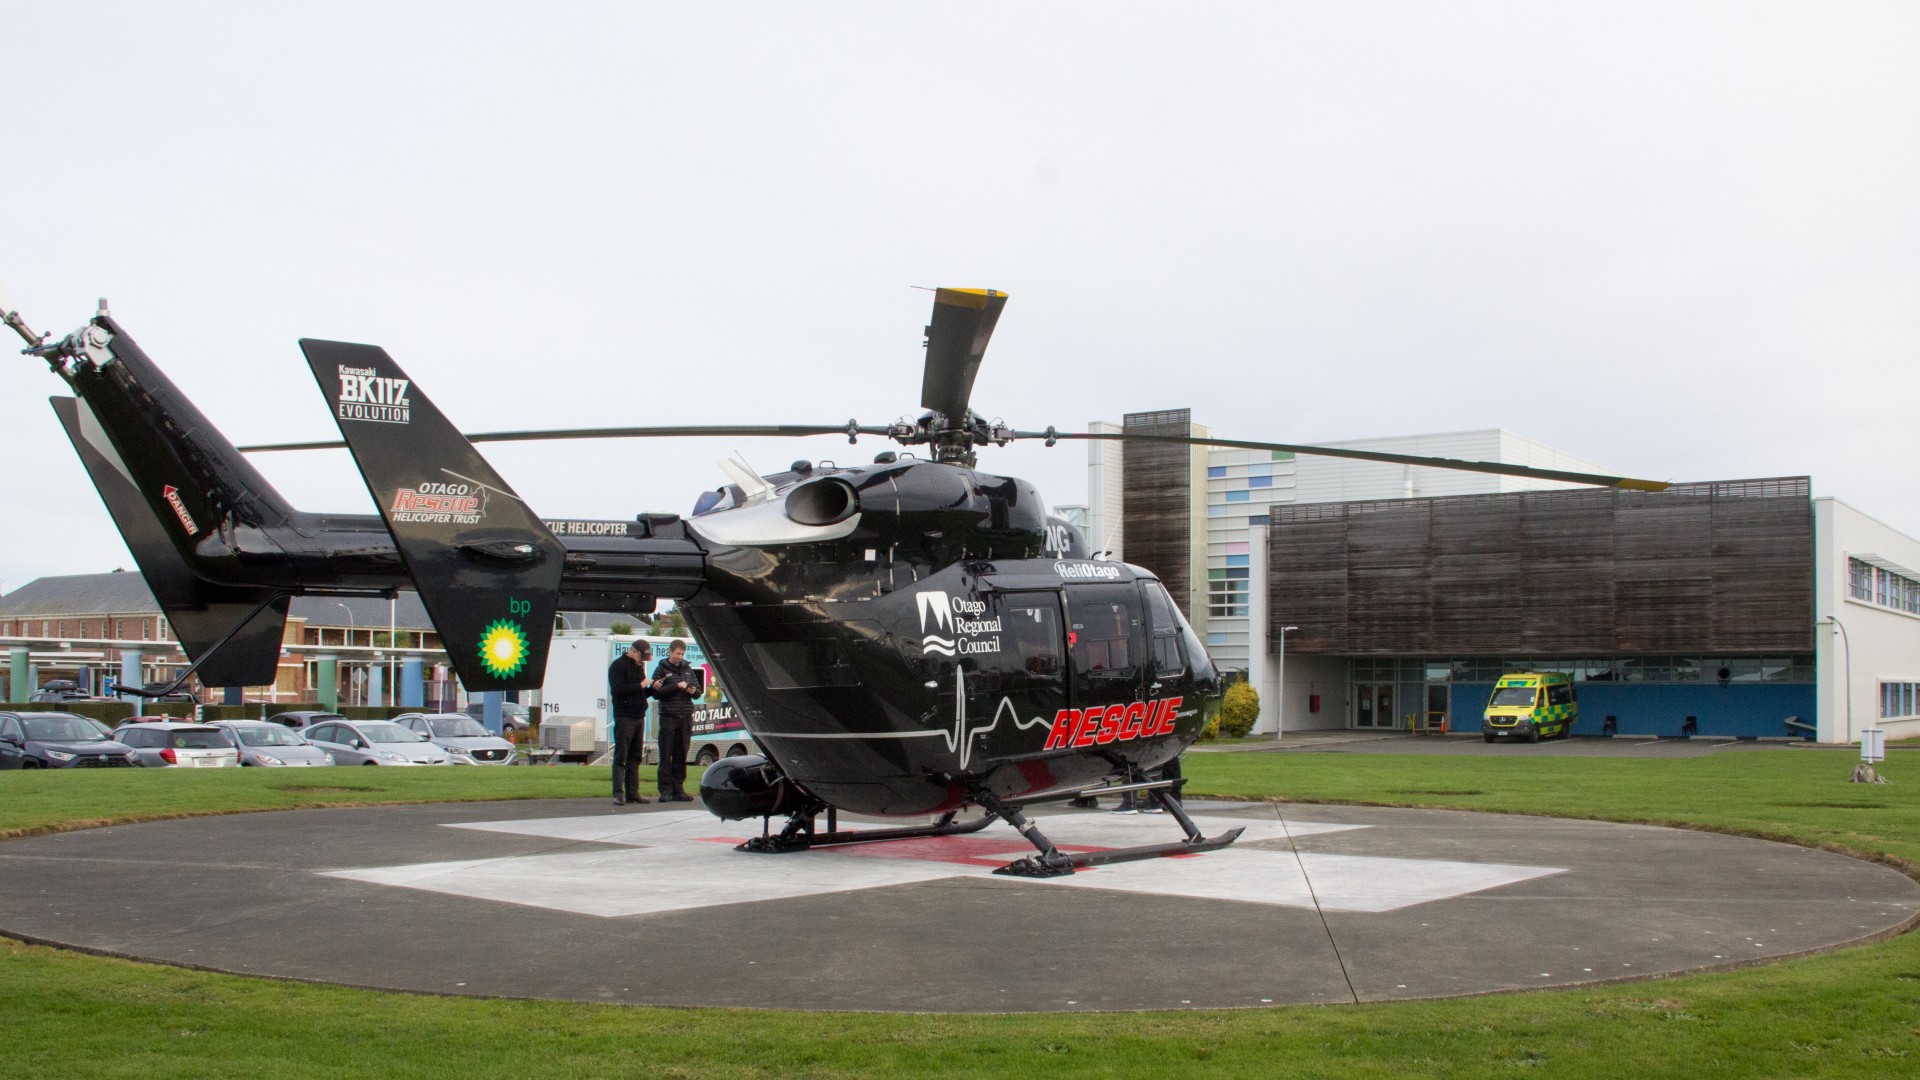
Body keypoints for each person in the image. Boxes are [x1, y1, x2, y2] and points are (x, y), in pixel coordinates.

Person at [652, 639, 699, 802]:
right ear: (670, 652)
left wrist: (692, 690)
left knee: (681, 754)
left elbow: (698, 691)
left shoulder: (687, 669)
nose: (679, 657)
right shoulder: (661, 670)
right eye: (677, 653)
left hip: (685, 716)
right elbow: (656, 693)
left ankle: (679, 789)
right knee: (666, 754)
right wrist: (677, 686)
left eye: (682, 654)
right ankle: (665, 790)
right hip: (668, 716)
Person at [607, 640, 654, 806]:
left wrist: (652, 688)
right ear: (633, 651)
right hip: (624, 716)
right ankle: (618, 793)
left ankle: (633, 793)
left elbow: (640, 692)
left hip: (638, 715)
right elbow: (618, 690)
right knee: (621, 756)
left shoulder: (638, 668)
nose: (643, 660)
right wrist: (641, 684)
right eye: (642, 656)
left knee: (635, 757)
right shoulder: (618, 666)